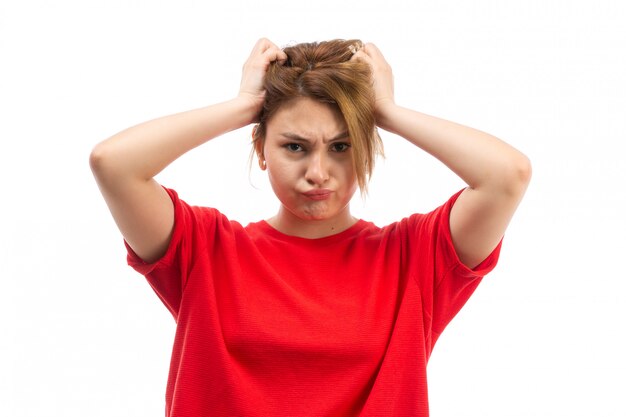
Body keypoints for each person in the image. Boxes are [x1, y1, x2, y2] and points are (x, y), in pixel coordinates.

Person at [90, 38, 531, 417]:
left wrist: (386, 112)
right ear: (261, 149)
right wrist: (243, 106)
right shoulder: (203, 248)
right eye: (294, 146)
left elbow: (507, 175)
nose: (318, 172)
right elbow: (113, 164)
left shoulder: (414, 257)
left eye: (342, 146)